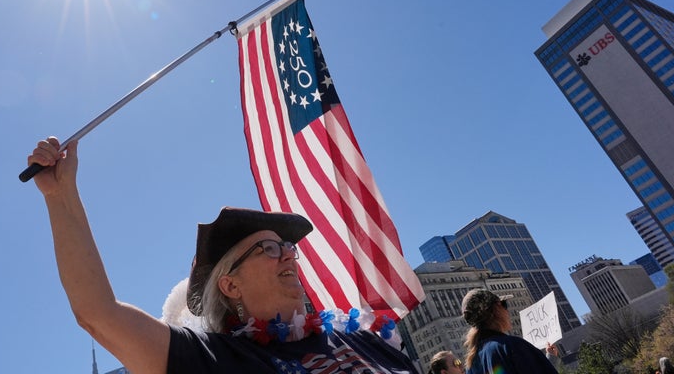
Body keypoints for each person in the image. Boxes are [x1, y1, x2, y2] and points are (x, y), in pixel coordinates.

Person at [27, 137, 418, 374]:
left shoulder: (366, 340)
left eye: (287, 249)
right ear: (230, 284)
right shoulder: (214, 361)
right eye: (268, 249)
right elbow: (98, 314)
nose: (287, 257)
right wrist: (60, 196)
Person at [461, 288, 559, 374]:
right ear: (496, 309)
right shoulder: (510, 346)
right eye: (504, 304)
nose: (507, 311)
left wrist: (550, 359)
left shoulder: (471, 366)